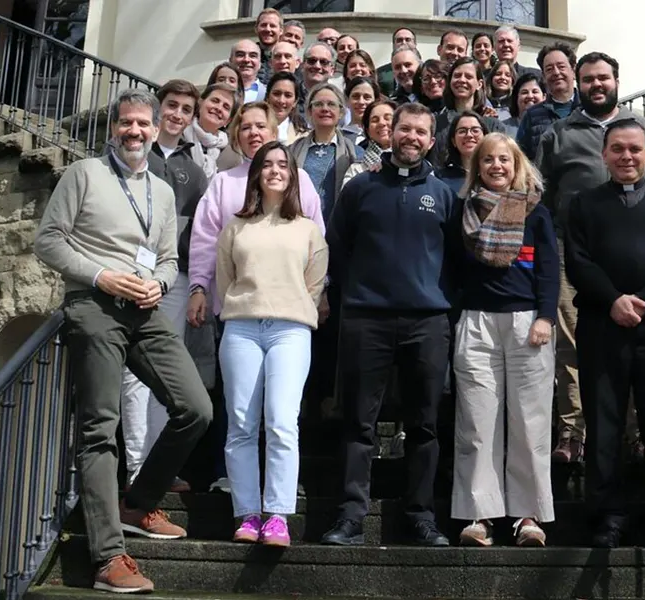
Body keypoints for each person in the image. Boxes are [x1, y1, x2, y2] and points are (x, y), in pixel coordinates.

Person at [34, 88, 213, 593]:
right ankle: (108, 557)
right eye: (126, 123)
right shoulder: (84, 174)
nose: (134, 132)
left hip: (144, 309)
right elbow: (48, 240)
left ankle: (138, 502)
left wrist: (159, 282)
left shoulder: (161, 188)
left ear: (157, 131)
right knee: (99, 428)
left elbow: (168, 258)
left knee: (196, 408)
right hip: (94, 305)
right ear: (114, 128)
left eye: (142, 125)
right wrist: (100, 277)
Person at [321, 103, 460, 547]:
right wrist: (362, 292)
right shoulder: (360, 189)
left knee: (425, 425)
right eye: (405, 129)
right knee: (359, 423)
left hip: (427, 322)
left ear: (431, 140)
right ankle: (350, 516)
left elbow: (455, 259)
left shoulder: (443, 195)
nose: (412, 137)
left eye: (421, 131)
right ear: (390, 132)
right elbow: (337, 249)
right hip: (367, 319)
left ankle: (421, 515)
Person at [537, 51, 645, 465]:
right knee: (570, 343)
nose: (596, 85)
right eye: (588, 80)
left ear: (616, 80)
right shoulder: (559, 134)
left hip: (636, 253)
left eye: (603, 78)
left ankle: (636, 433)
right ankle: (572, 433)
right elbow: (541, 196)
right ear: (577, 85)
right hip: (571, 251)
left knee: (636, 335)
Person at [564, 118, 645, 549]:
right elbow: (579, 262)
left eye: (634, 150)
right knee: (604, 422)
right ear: (604, 155)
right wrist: (613, 301)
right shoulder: (584, 205)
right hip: (603, 325)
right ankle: (607, 515)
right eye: (617, 149)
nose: (626, 156)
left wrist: (644, 301)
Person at [187, 103, 326, 494]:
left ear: (274, 131)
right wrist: (200, 287)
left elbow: (316, 248)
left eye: (260, 126)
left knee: (283, 411)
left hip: (289, 317)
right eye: (244, 127)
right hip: (239, 314)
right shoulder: (223, 183)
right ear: (236, 136)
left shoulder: (302, 184)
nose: (253, 133)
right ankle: (235, 480)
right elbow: (206, 244)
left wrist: (311, 298)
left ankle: (281, 484)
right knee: (240, 407)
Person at [217, 141, 328, 548]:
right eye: (268, 164)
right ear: (257, 174)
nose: (276, 170)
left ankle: (277, 514)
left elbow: (314, 284)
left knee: (282, 421)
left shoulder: (307, 229)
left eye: (284, 164)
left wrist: (292, 307)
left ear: (293, 175)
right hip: (242, 328)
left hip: (290, 330)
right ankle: (246, 513)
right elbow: (224, 279)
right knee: (242, 425)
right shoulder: (235, 227)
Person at [450, 132, 558, 548]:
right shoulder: (463, 212)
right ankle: (480, 516)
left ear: (518, 167)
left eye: (505, 161)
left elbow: (549, 269)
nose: (497, 167)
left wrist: (546, 316)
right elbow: (454, 271)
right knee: (478, 423)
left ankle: (528, 517)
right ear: (477, 167)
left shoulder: (536, 213)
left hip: (527, 322)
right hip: (476, 322)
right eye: (488, 160)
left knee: (530, 422)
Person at [119, 80, 211, 496]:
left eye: (185, 110)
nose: (177, 114)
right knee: (133, 378)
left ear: (192, 118)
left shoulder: (194, 173)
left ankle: (159, 467)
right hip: (127, 280)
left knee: (165, 378)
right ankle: (137, 467)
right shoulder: (132, 153)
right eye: (171, 106)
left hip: (171, 281)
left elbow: (200, 234)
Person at [290, 83, 361, 224]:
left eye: (331, 104)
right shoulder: (291, 151)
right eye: (318, 104)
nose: (325, 109)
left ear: (341, 112)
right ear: (309, 111)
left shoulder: (356, 153)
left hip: (337, 229)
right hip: (298, 226)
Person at [433, 57, 506, 166]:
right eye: (457, 76)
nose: (462, 80)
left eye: (468, 76)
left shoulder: (494, 125)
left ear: (479, 84)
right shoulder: (437, 124)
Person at [516, 43, 580, 160]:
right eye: (549, 69)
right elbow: (521, 160)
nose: (556, 73)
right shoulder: (531, 116)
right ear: (544, 77)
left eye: (561, 67)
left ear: (573, 71)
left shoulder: (588, 108)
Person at [186, 83, 236, 181]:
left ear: (228, 120)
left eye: (226, 107)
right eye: (215, 101)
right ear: (200, 102)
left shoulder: (232, 157)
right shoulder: (178, 136)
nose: (218, 108)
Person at [433, 111, 490, 195]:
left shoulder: (494, 174)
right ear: (453, 141)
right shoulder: (439, 178)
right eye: (462, 131)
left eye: (475, 130)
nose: (469, 135)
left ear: (485, 136)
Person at [343, 99, 396, 186]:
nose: (382, 123)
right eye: (375, 120)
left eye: (388, 118)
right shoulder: (357, 170)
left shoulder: (412, 161)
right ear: (367, 130)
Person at [266, 71, 308, 144]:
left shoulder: (304, 137)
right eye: (276, 94)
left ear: (295, 102)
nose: (281, 101)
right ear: (267, 97)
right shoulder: (253, 130)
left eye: (288, 95)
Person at [376, 28, 416, 96]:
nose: (404, 43)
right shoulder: (379, 74)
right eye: (399, 40)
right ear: (393, 44)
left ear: (415, 44)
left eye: (408, 40)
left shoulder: (425, 70)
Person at [503, 73, 545, 137]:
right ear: (517, 97)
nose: (530, 96)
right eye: (524, 92)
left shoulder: (553, 126)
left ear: (544, 97)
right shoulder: (503, 128)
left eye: (535, 91)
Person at [342, 76, 380, 146]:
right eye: (355, 96)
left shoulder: (383, 136)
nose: (361, 102)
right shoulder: (337, 138)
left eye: (367, 97)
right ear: (347, 100)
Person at [255, 7, 283, 84]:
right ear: (256, 29)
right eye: (263, 25)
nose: (268, 29)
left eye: (272, 26)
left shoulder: (288, 58)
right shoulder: (246, 57)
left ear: (281, 31)